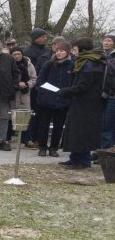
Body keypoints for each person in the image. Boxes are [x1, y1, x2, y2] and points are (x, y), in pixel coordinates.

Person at [57, 37, 106, 169]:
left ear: (82, 49)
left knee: (83, 131)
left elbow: (83, 86)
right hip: (81, 101)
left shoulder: (90, 63)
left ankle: (83, 161)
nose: (73, 52)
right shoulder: (86, 61)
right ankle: (75, 157)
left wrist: (65, 91)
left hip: (88, 103)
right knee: (75, 130)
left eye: (75, 49)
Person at [34, 37, 73, 157]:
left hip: (62, 101)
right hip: (47, 99)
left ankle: (54, 148)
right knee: (43, 125)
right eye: (57, 50)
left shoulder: (72, 65)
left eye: (62, 51)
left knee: (58, 126)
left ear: (67, 52)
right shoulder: (48, 64)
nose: (59, 53)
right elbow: (40, 81)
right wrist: (44, 93)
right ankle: (42, 147)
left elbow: (73, 83)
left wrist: (67, 94)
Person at [10, 45, 37, 141]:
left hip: (24, 94)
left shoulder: (29, 65)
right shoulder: (8, 64)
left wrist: (26, 84)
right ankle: (7, 138)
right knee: (10, 116)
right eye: (14, 54)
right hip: (12, 94)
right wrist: (16, 84)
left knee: (25, 116)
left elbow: (34, 79)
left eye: (19, 54)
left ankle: (26, 139)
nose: (17, 56)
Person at [101, 33, 115, 150]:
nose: (106, 43)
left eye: (109, 41)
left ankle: (106, 150)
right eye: (105, 40)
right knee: (103, 124)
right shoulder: (101, 55)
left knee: (108, 125)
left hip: (111, 95)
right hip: (102, 94)